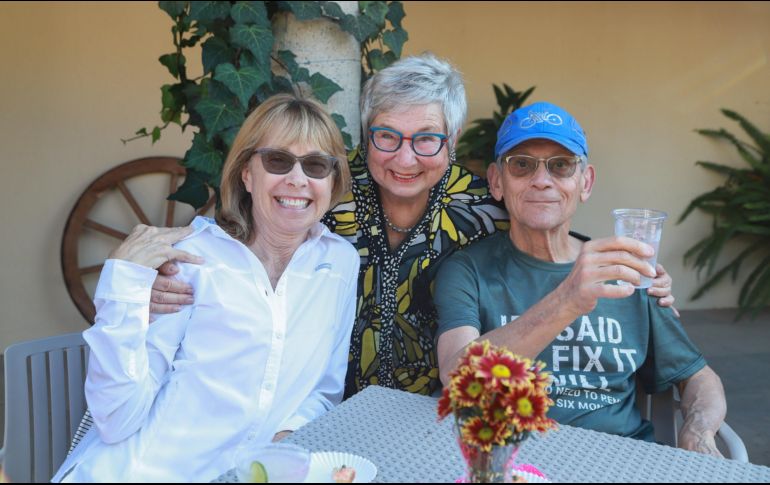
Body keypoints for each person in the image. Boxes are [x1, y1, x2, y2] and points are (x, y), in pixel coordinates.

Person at [148, 53, 676, 398]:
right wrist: (157, 264)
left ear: (451, 141)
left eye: (426, 138)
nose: (405, 158)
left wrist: (641, 277)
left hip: (445, 414)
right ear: (365, 135)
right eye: (387, 137)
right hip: (318, 405)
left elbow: (550, 241)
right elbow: (235, 222)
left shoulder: (482, 208)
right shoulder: (327, 186)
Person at [52, 94, 359, 482]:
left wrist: (289, 433)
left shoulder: (340, 263)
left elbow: (324, 388)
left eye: (316, 165)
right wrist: (123, 288)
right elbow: (116, 419)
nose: (298, 179)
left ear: (332, 181)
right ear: (247, 173)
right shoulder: (193, 260)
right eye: (278, 160)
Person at [433, 101, 726, 456]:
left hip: (622, 460)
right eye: (522, 165)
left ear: (584, 183)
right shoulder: (468, 270)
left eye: (561, 166)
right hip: (512, 463)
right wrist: (567, 299)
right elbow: (458, 378)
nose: (542, 181)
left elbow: (698, 376)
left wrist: (697, 432)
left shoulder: (627, 271)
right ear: (497, 181)